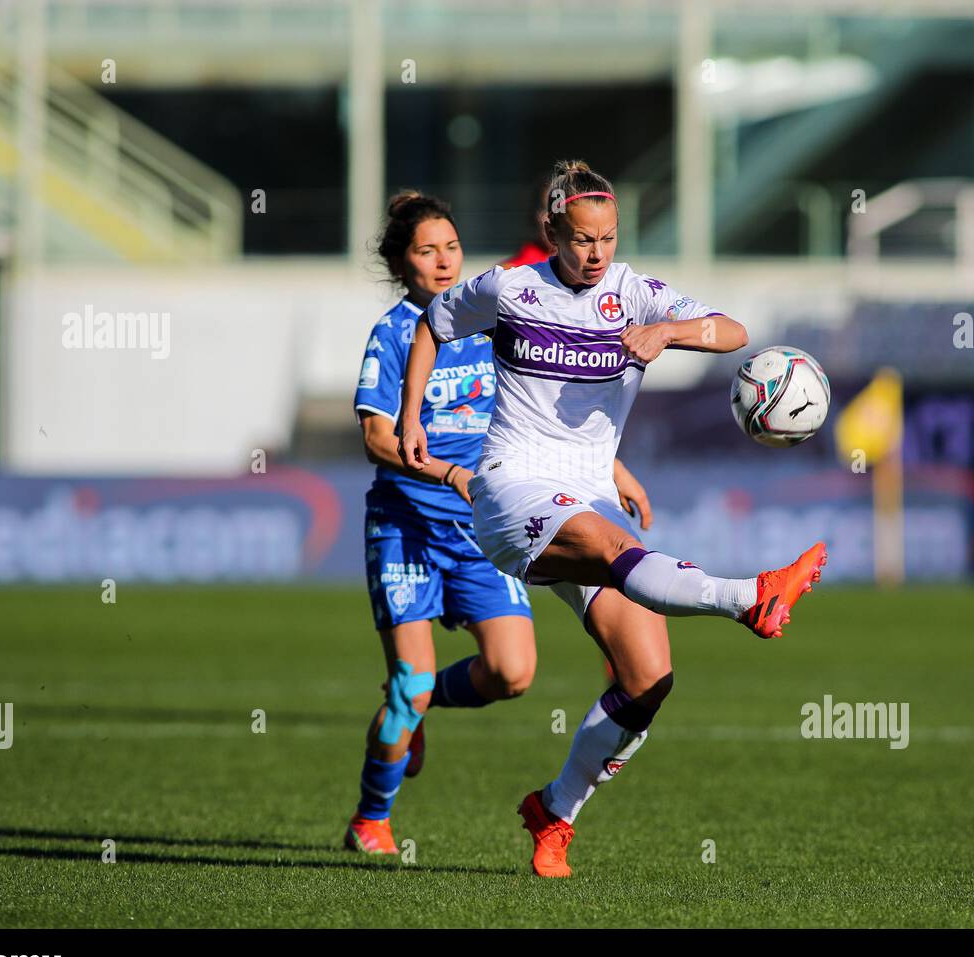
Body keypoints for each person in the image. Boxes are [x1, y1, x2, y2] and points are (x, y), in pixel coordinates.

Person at [397, 161, 827, 877]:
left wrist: (670, 333)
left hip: (589, 496)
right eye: (582, 239)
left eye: (608, 238)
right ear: (552, 232)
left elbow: (733, 331)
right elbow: (433, 326)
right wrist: (411, 414)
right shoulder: (511, 288)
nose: (596, 253)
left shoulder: (635, 294)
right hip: (509, 490)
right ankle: (749, 597)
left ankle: (554, 812)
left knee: (648, 677)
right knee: (609, 544)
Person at [345, 189, 653, 855]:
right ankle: (371, 818)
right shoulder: (395, 334)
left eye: (451, 247)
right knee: (411, 681)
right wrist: (449, 474)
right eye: (427, 251)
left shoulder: (489, 319)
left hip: (488, 525)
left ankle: (423, 707)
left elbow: (541, 408)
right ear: (402, 264)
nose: (444, 261)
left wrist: (614, 467)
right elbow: (375, 435)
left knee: (512, 673)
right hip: (409, 528)